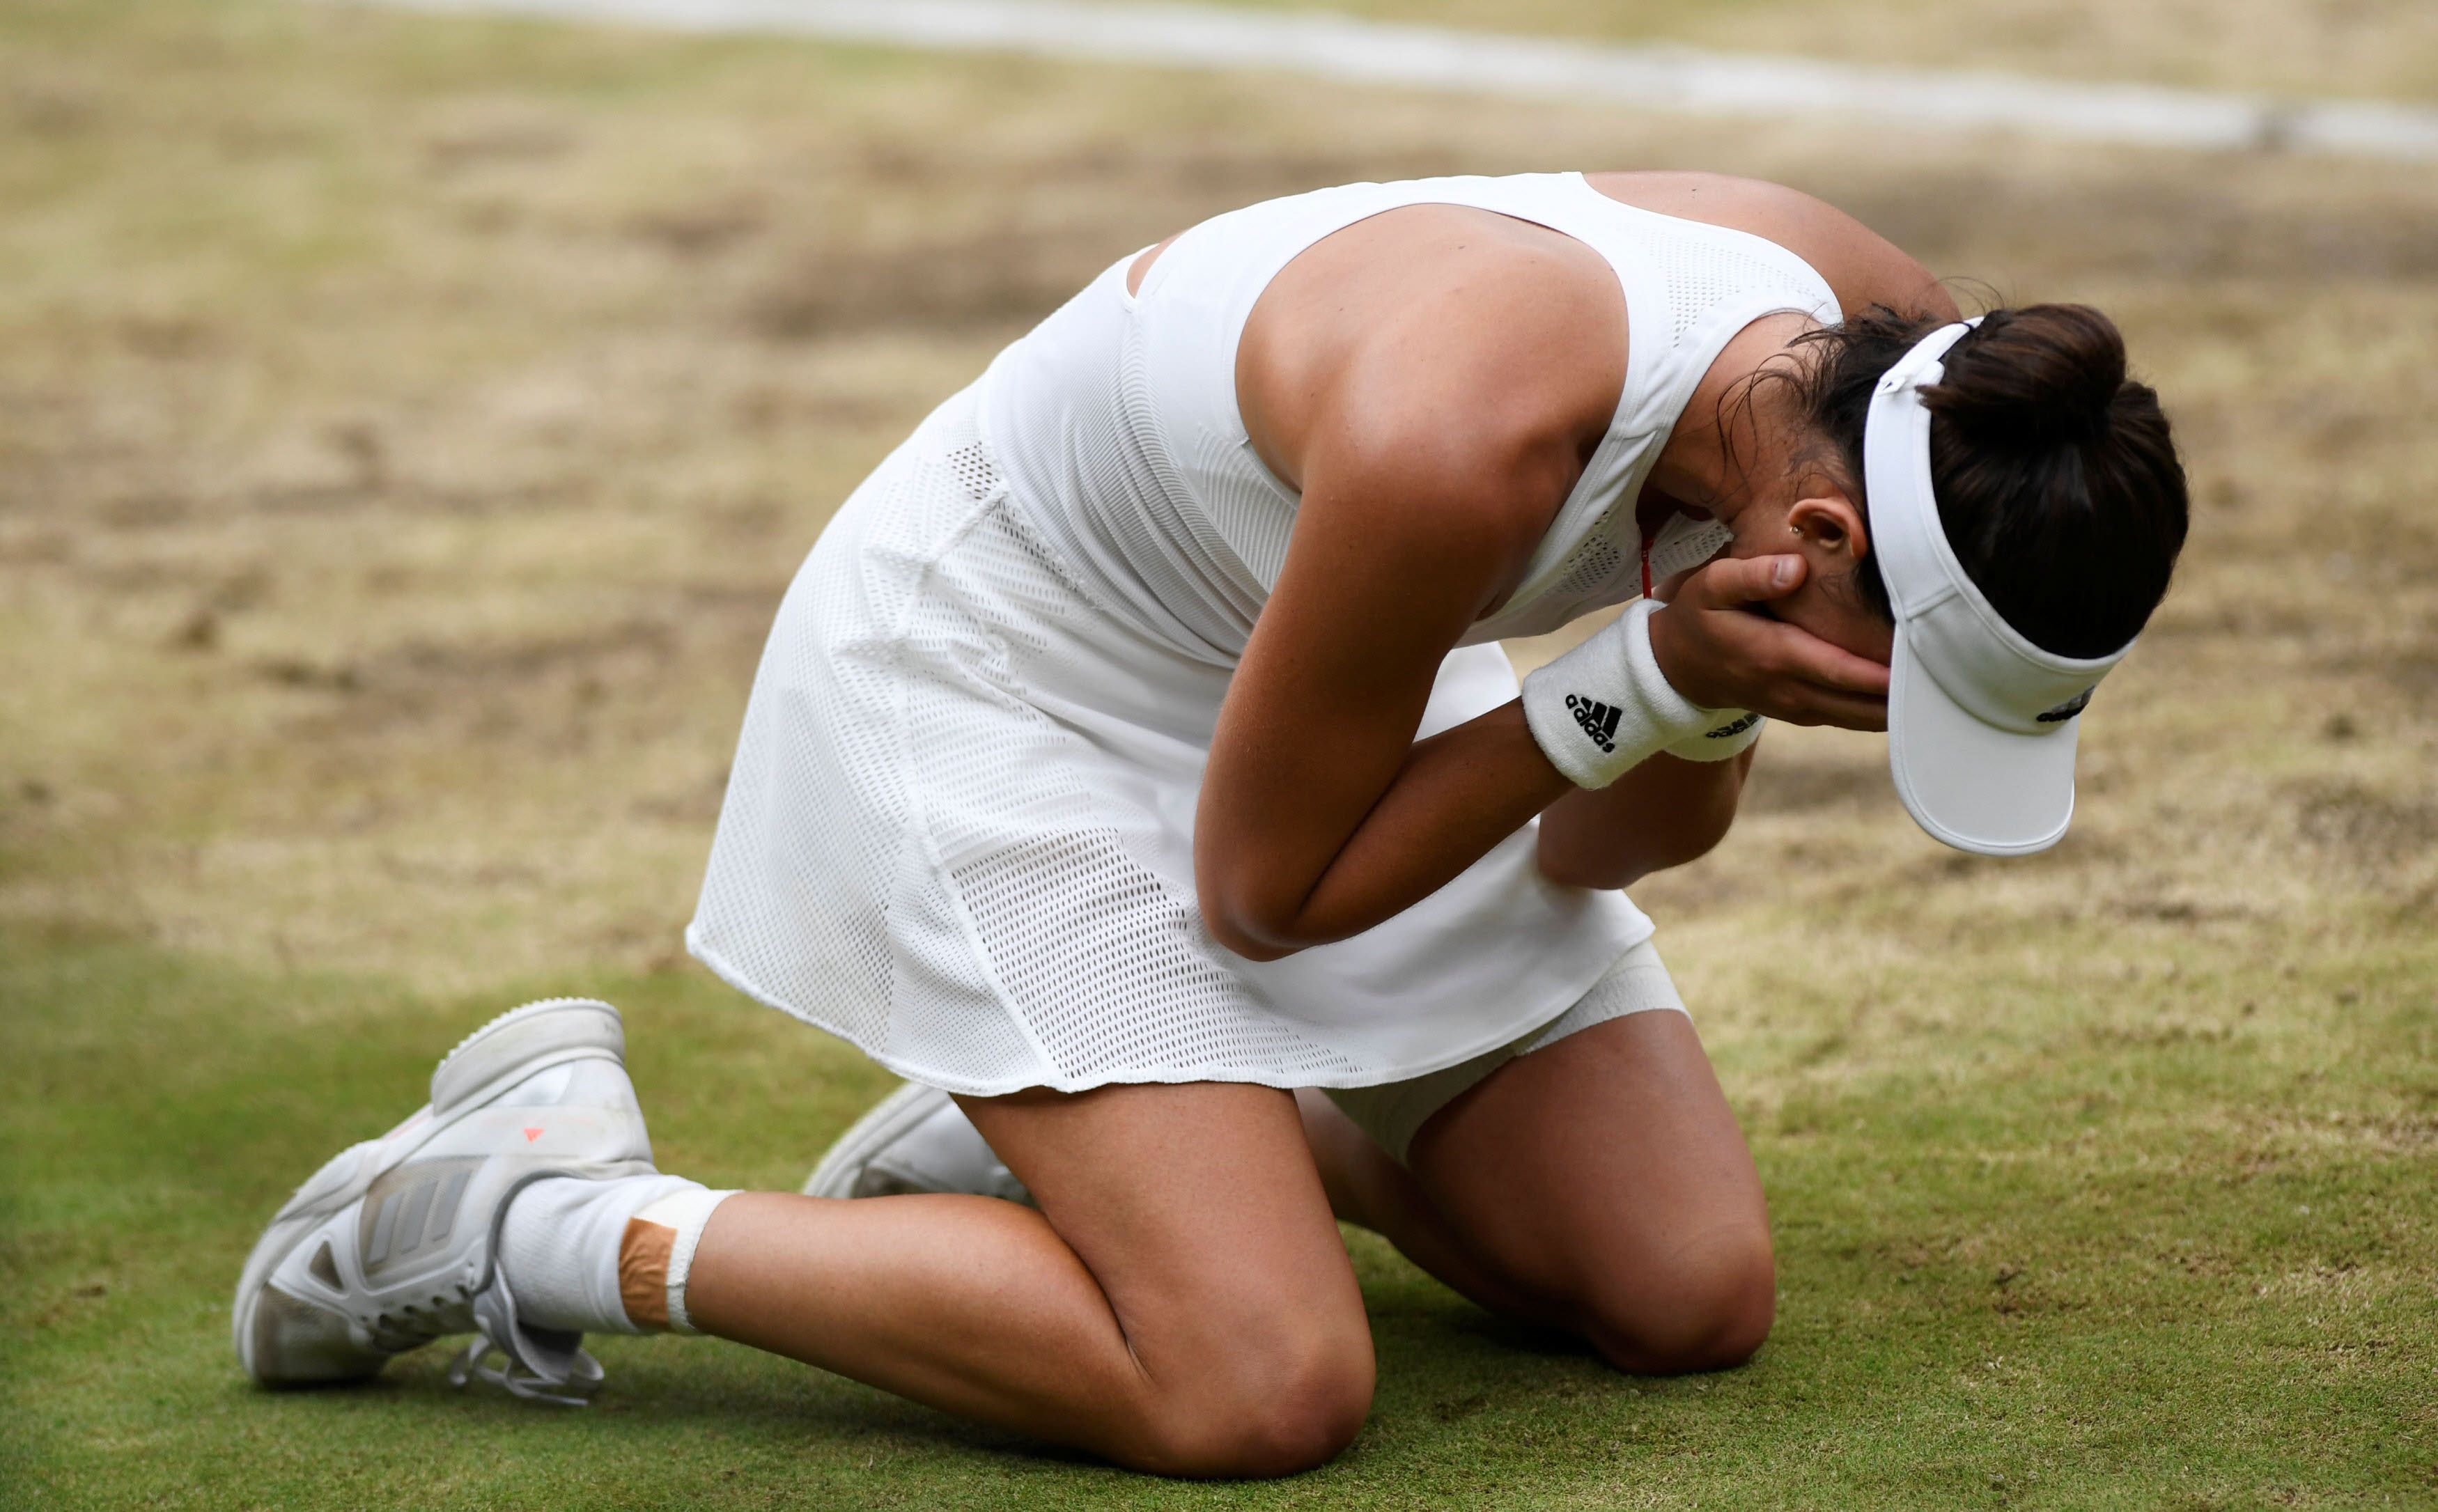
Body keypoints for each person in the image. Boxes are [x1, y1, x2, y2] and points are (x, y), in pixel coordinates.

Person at [233, 171, 2188, 1477]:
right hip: (996, 687)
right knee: (1258, 1381)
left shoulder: (1927, 382)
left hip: (1329, 658)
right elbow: (1265, 904)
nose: (1868, 722)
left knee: (1681, 1288)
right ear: (1824, 541)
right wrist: (1655, 680)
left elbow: (1618, 845)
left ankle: (1109, 1136)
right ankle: (529, 1206)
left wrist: (1671, 685)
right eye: (1888, 679)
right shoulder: (1467, 436)